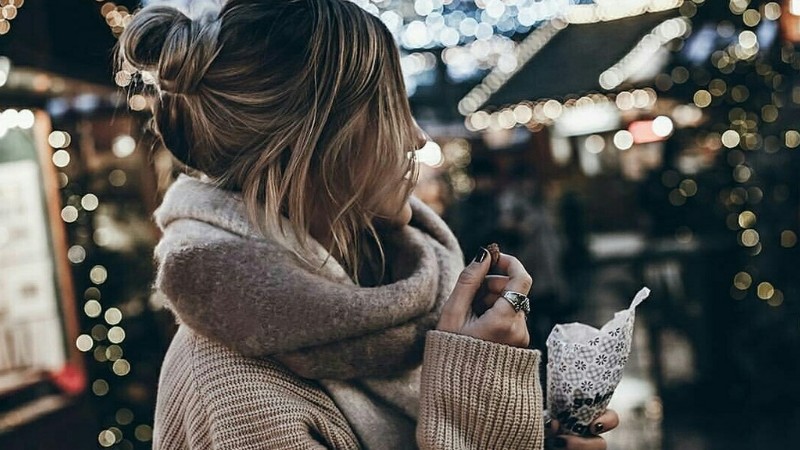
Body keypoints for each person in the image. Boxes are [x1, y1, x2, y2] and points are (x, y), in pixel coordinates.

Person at [119, 0, 618, 448]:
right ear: (311, 142)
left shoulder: (399, 303)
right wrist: (472, 387)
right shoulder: (233, 394)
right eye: (389, 109)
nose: (417, 137)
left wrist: (547, 437)